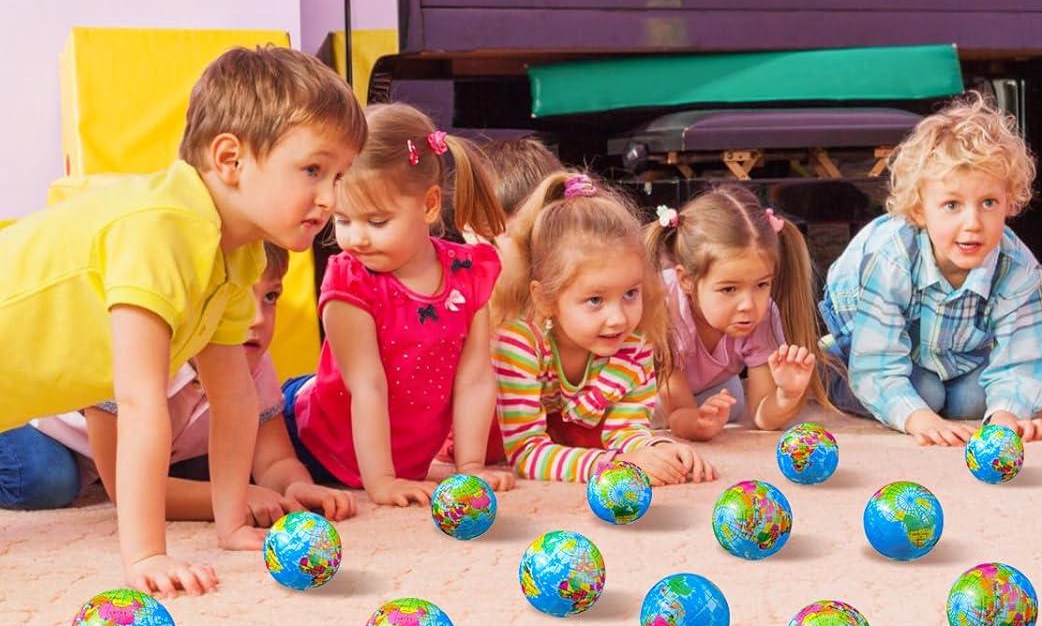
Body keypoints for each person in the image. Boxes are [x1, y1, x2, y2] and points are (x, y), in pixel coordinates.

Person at [0, 45, 365, 595]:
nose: (329, 199)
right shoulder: (163, 228)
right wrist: (147, 554)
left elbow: (235, 397)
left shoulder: (233, 258)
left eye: (338, 177)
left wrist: (232, 520)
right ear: (229, 160)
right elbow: (141, 402)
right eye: (313, 169)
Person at [9, 244, 353, 522]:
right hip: (40, 426)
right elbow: (127, 489)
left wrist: (294, 486)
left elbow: (273, 460)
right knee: (49, 479)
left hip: (139, 450)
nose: (258, 319)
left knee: (222, 465)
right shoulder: (141, 352)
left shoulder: (254, 365)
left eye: (270, 297)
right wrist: (230, 499)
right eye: (236, 300)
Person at [284, 105, 512, 505]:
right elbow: (366, 385)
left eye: (376, 222)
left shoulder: (467, 273)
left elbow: (474, 377)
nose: (356, 239)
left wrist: (471, 466)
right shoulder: (351, 280)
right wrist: (383, 481)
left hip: (406, 454)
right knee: (261, 442)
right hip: (319, 447)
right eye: (343, 219)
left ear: (428, 205)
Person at [819, 91, 1042, 444]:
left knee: (974, 401)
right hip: (866, 339)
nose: (973, 222)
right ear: (919, 209)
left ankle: (936, 390)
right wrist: (919, 419)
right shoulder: (891, 256)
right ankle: (830, 371)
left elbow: (1023, 362)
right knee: (925, 396)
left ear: (1009, 201)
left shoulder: (1018, 267)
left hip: (948, 349)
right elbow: (877, 368)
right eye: (952, 205)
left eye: (989, 202)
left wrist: (1007, 416)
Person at [491, 171, 714, 483]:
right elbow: (525, 452)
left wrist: (657, 448)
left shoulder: (633, 345)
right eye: (595, 299)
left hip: (570, 446)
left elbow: (626, 430)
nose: (618, 318)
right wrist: (614, 464)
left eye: (630, 294)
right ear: (545, 299)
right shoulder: (519, 344)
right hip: (493, 447)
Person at [645, 184, 823, 440]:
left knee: (733, 401)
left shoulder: (762, 314)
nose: (748, 305)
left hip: (710, 386)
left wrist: (787, 395)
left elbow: (762, 416)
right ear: (686, 281)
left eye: (761, 285)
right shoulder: (665, 306)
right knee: (652, 412)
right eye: (729, 289)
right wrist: (697, 423)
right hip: (651, 388)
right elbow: (678, 413)